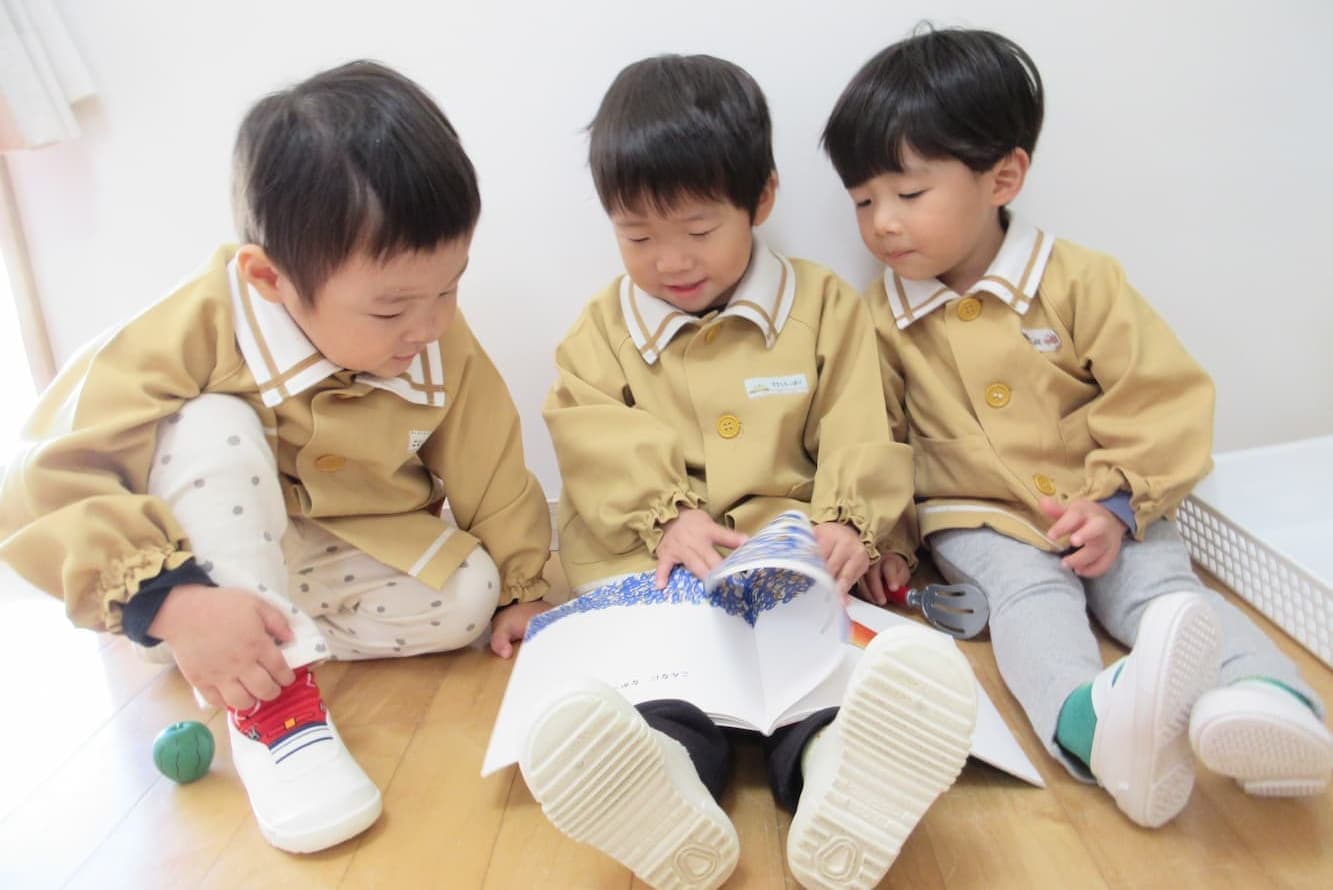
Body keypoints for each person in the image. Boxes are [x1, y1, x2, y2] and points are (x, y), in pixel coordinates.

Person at [0, 60, 553, 853]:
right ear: (269, 278)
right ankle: (266, 696)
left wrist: (524, 588)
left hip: (332, 555)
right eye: (392, 308)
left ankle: (241, 638)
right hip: (206, 544)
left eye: (449, 288)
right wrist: (170, 600)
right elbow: (44, 476)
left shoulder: (435, 338)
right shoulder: (190, 329)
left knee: (471, 592)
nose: (430, 325)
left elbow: (490, 462)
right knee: (210, 424)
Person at [822, 26, 1330, 827]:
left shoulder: (1079, 281)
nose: (881, 222)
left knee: (1162, 591)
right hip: (977, 516)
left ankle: (1266, 699)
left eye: (908, 195)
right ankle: (1088, 724)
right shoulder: (878, 317)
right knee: (1028, 600)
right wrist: (882, 537)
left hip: (1109, 498)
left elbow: (1156, 394)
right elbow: (870, 437)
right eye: (862, 201)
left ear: (1002, 177)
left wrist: (1119, 504)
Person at [529, 54, 976, 890]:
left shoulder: (823, 305)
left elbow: (860, 421)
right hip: (660, 566)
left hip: (788, 560)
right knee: (665, 690)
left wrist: (851, 521)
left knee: (814, 684)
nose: (670, 260)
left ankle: (835, 772)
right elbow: (589, 436)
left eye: (698, 231)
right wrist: (668, 516)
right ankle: (663, 780)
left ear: (760, 199)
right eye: (637, 237)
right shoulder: (600, 330)